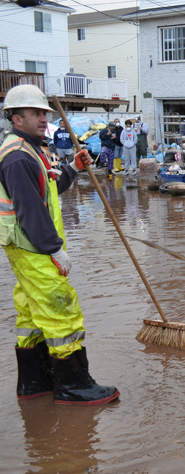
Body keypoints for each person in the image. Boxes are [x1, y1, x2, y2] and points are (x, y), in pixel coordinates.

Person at [0, 84, 119, 405]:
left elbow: (47, 187)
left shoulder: (29, 150)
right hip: (33, 247)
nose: (42, 119)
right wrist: (53, 249)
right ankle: (73, 386)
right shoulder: (17, 158)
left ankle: (35, 382)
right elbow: (30, 210)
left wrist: (73, 169)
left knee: (30, 314)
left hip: (25, 247)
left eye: (44, 113)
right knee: (60, 311)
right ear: (16, 117)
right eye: (35, 113)